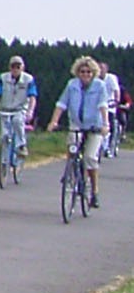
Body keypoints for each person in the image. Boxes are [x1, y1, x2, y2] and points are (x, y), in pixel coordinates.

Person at [47, 55, 109, 207]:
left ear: (93, 73)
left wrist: (105, 124)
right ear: (77, 72)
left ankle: (94, 191)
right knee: (72, 147)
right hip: (76, 123)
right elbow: (61, 103)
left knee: (89, 158)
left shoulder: (99, 86)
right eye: (82, 71)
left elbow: (102, 106)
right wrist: (54, 121)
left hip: (94, 125)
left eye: (88, 72)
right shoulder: (72, 85)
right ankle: (71, 172)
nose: (85, 74)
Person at [0, 55, 37, 157]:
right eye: (13, 66)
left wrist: (30, 111)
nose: (15, 69)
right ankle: (3, 164)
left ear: (22, 67)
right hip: (4, 108)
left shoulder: (28, 79)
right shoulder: (2, 78)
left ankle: (22, 145)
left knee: (17, 121)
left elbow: (32, 97)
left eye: (18, 67)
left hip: (20, 108)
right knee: (4, 135)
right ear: (9, 67)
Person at [100, 62, 121, 156]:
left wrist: (117, 101)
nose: (100, 71)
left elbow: (116, 90)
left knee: (111, 126)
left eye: (102, 69)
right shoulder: (94, 78)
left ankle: (109, 147)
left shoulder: (111, 78)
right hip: (98, 106)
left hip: (109, 106)